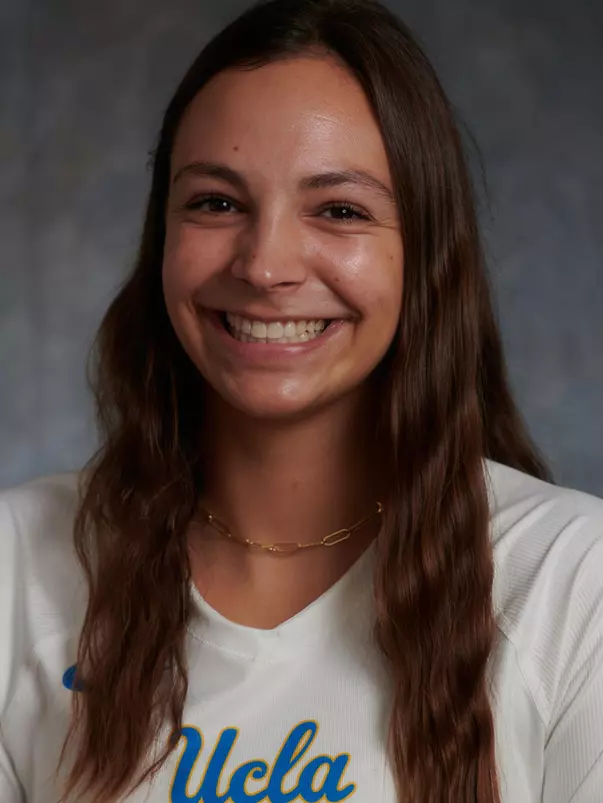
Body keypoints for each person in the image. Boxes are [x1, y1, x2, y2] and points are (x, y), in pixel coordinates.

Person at [1, 0, 602, 801]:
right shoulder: (16, 568)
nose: (265, 264)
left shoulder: (571, 583)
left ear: (423, 252)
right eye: (216, 202)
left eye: (339, 210)